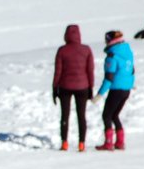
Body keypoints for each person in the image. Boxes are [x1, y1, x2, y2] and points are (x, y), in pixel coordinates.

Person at [52, 24, 94, 152]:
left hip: (65, 86)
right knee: (81, 116)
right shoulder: (86, 50)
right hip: (83, 87)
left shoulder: (62, 50)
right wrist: (91, 87)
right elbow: (90, 70)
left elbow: (57, 71)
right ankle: (81, 143)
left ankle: (64, 142)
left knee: (65, 115)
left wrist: (54, 88)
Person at [92, 31, 134, 151]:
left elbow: (109, 78)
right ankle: (120, 142)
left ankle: (108, 143)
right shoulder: (128, 52)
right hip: (126, 89)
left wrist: (99, 94)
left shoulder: (112, 56)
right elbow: (132, 71)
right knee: (115, 115)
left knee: (106, 115)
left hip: (116, 89)